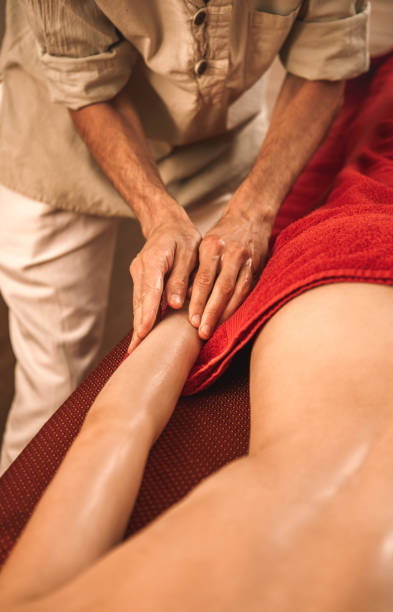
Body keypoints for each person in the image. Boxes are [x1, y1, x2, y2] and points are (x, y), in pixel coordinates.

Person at [0, 0, 370, 470]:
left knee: (215, 347)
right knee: (52, 383)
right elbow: (89, 85)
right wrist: (159, 216)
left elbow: (325, 61)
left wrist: (252, 212)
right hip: (56, 135)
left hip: (215, 140)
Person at [0, 280, 393, 611]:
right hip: (335, 298)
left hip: (333, 291)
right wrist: (196, 306)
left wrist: (199, 299)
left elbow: (117, 425)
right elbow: (117, 424)